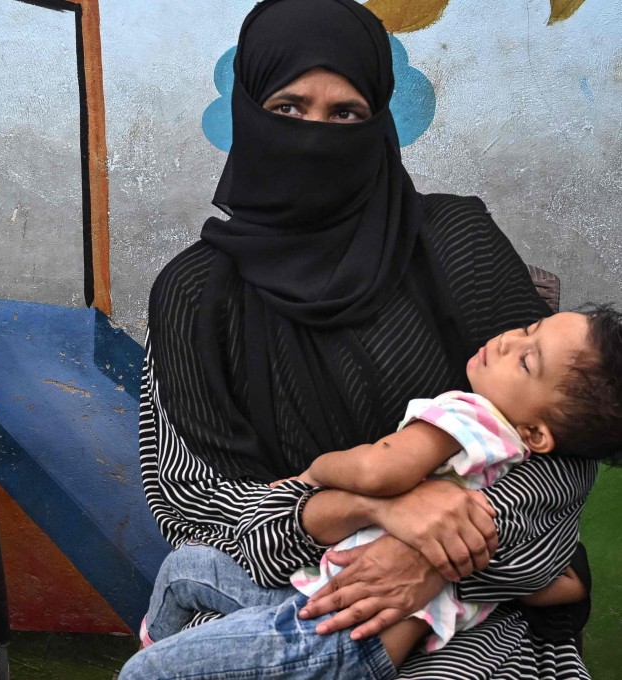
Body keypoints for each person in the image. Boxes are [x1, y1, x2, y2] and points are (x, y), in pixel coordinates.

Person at [130, 0, 601, 678]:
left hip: (479, 604)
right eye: (287, 108)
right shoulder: (194, 295)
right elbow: (192, 503)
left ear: (378, 122)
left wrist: (432, 563)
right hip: (281, 592)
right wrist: (371, 508)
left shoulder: (456, 244)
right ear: (246, 109)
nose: (312, 136)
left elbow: (564, 442)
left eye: (344, 114)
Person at [125, 307, 622, 678]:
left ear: (539, 434)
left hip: (338, 639)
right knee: (186, 568)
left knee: (145, 671)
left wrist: (313, 475)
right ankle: (163, 647)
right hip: (332, 601)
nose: (508, 341)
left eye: (527, 362)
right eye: (527, 329)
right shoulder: (517, 461)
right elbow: (556, 582)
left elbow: (378, 469)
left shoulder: (469, 417)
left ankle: (159, 656)